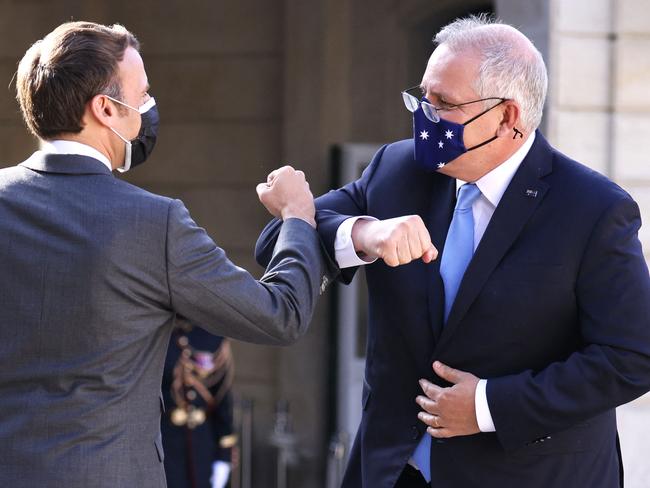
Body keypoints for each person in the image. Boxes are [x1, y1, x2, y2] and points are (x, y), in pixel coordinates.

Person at [256, 15, 650, 488]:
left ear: (508, 117)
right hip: (393, 471)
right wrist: (365, 234)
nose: (424, 116)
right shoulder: (398, 168)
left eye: (444, 104)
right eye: (423, 97)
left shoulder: (592, 209)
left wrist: (489, 406)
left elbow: (632, 356)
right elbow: (278, 240)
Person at [0, 21, 328, 488]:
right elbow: (280, 315)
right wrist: (298, 217)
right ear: (106, 108)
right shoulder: (154, 223)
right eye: (143, 94)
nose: (149, 110)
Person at [161, 320, 237, 488]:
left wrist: (224, 454)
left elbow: (221, 398)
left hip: (202, 441)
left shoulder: (212, 336)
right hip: (164, 440)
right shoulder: (158, 334)